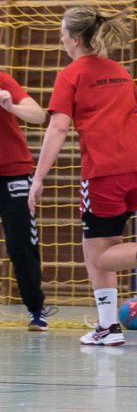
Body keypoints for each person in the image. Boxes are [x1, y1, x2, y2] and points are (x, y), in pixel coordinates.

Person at [29, 6, 137, 347]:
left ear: (75, 39)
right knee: (101, 244)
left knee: (99, 253)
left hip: (106, 172)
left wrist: (38, 177)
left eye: (63, 34)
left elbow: (58, 127)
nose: (61, 39)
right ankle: (108, 326)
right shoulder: (119, 71)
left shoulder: (71, 74)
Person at [0, 69, 51, 331]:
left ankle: (36, 309)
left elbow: (39, 115)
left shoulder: (2, 79)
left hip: (12, 173)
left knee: (20, 246)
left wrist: (11, 106)